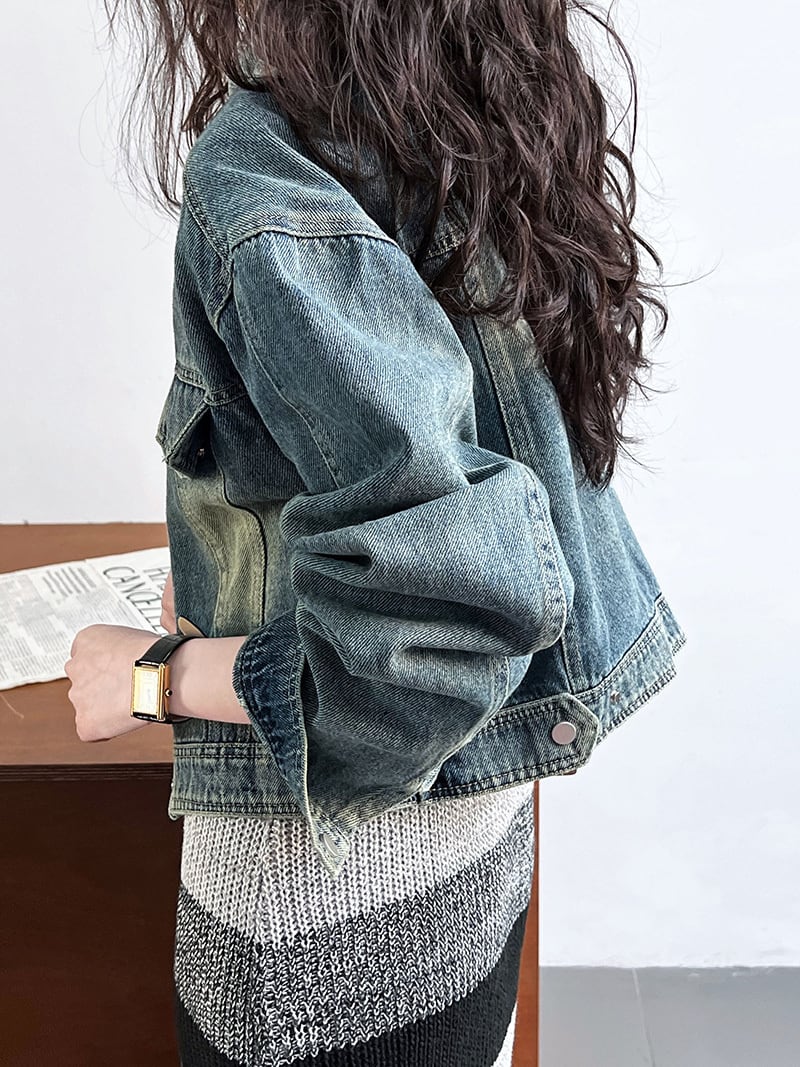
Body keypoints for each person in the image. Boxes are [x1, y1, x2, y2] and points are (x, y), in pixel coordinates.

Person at [64, 2, 687, 1064]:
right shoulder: (472, 96)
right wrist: (241, 581)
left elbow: (425, 651)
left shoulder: (264, 172)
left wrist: (152, 676)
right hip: (473, 868)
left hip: (313, 934)